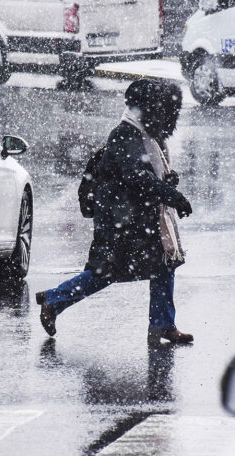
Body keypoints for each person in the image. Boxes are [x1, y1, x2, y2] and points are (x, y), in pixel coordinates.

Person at [36, 79, 195, 345]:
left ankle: (163, 325)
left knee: (163, 265)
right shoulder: (125, 134)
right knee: (104, 273)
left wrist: (166, 182)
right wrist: (172, 195)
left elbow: (145, 174)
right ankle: (53, 300)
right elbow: (135, 176)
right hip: (120, 221)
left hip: (138, 217)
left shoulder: (144, 135)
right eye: (161, 110)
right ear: (148, 109)